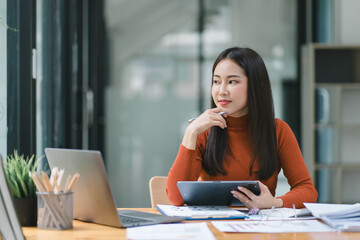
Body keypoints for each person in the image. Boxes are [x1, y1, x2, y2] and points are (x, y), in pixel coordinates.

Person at [166, 47, 318, 209]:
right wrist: (191, 133)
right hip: (212, 228)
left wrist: (274, 203)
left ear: (256, 85)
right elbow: (176, 198)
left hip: (259, 228)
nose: (221, 91)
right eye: (216, 81)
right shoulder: (203, 131)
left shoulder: (278, 130)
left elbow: (308, 190)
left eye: (232, 81)